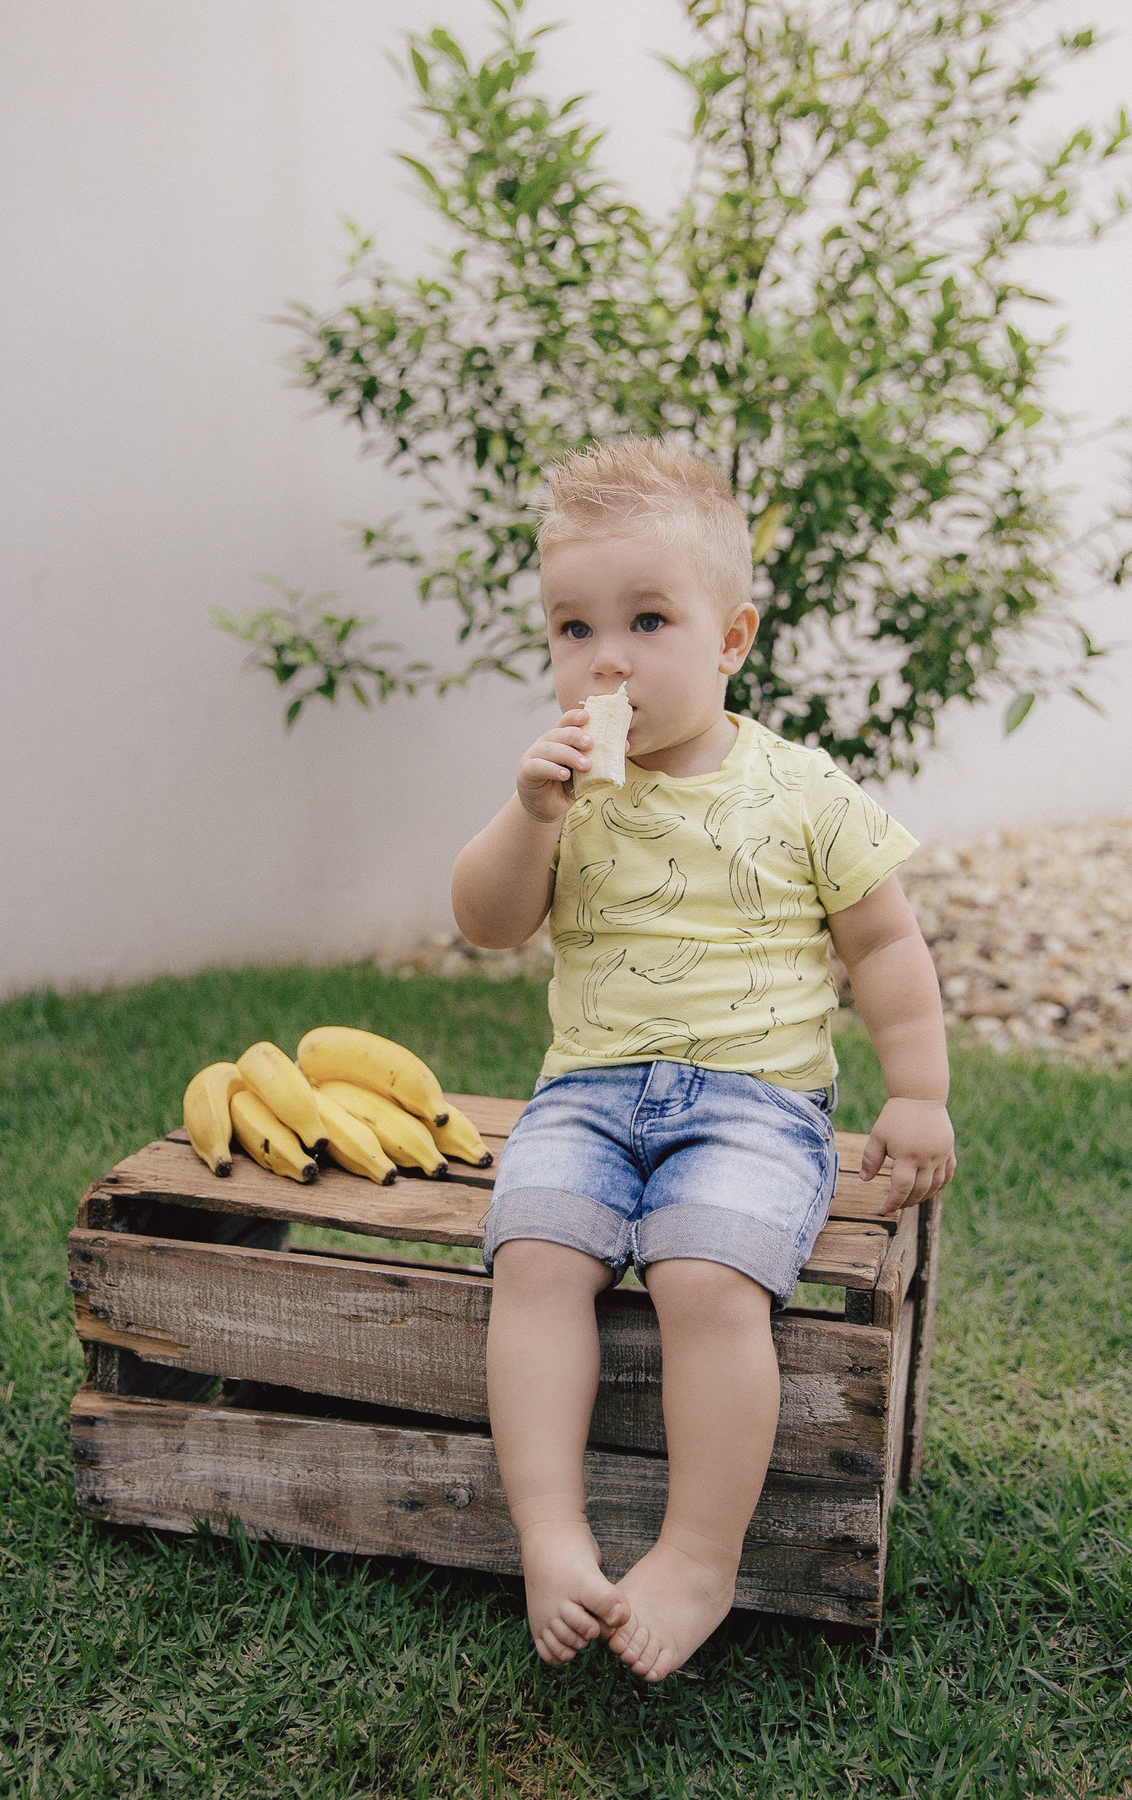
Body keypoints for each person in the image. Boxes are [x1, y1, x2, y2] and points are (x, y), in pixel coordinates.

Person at [451, 437, 955, 1683]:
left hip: (752, 1106)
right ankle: (550, 1534)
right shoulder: (568, 795)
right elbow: (487, 923)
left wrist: (918, 1092)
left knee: (707, 1279)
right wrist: (527, 816)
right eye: (573, 628)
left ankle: (697, 1554)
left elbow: (885, 942)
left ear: (730, 641)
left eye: (647, 620)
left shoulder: (800, 789)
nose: (606, 659)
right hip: (586, 1096)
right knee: (535, 1259)